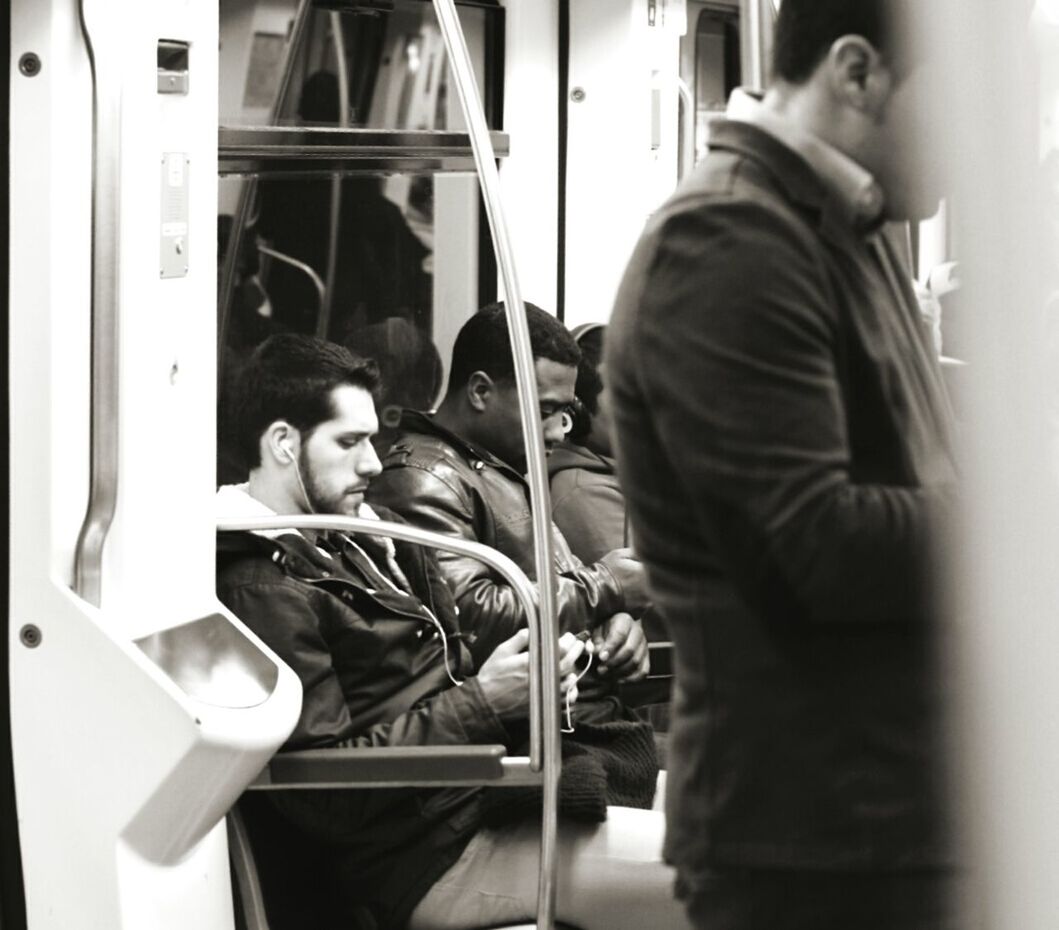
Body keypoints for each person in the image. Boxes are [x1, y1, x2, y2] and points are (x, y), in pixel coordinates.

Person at [607, 2, 959, 928]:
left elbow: (919, 468)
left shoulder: (852, 226)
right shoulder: (728, 243)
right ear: (855, 72)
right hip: (818, 843)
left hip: (894, 817)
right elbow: (816, 543)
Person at [216, 333, 688, 930]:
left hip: (479, 799)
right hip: (428, 856)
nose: (372, 463)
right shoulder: (264, 586)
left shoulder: (370, 540)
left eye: (371, 440)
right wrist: (487, 701)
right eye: (349, 442)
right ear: (284, 443)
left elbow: (453, 665)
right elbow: (322, 790)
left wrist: (534, 685)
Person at [367, 303, 652, 704]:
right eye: (544, 411)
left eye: (565, 412)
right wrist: (606, 589)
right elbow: (471, 620)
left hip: (571, 711)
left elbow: (564, 586)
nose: (557, 433)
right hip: (521, 731)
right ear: (481, 391)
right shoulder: (421, 480)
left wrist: (614, 630)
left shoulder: (506, 471)